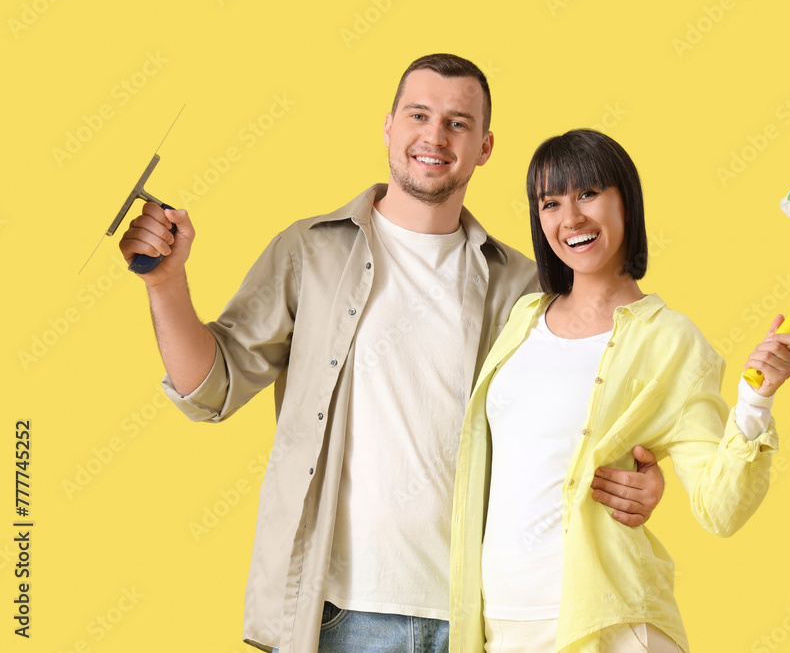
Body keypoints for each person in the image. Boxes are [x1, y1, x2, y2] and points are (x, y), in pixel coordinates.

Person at [117, 55, 667, 653]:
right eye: (419, 114)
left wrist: (646, 479)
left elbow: (578, 418)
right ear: (388, 127)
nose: (435, 136)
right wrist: (165, 284)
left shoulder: (525, 288)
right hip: (335, 616)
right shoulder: (311, 252)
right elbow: (211, 390)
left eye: (458, 123)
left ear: (484, 147)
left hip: (483, 618)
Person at [449, 129, 790, 652]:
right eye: (551, 202)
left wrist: (757, 397)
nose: (571, 219)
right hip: (503, 624)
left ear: (625, 201)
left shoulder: (670, 340)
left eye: (588, 194)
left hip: (607, 624)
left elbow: (720, 507)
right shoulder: (523, 318)